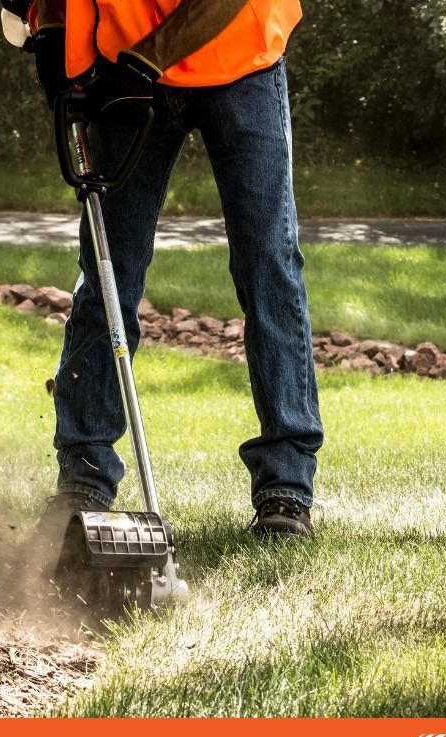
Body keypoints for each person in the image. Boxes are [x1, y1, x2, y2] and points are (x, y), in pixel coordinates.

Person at [31, 0, 324, 538]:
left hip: (239, 59)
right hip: (125, 69)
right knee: (108, 273)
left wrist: (143, 62)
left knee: (268, 267)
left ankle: (285, 487)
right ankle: (85, 476)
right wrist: (50, 34)